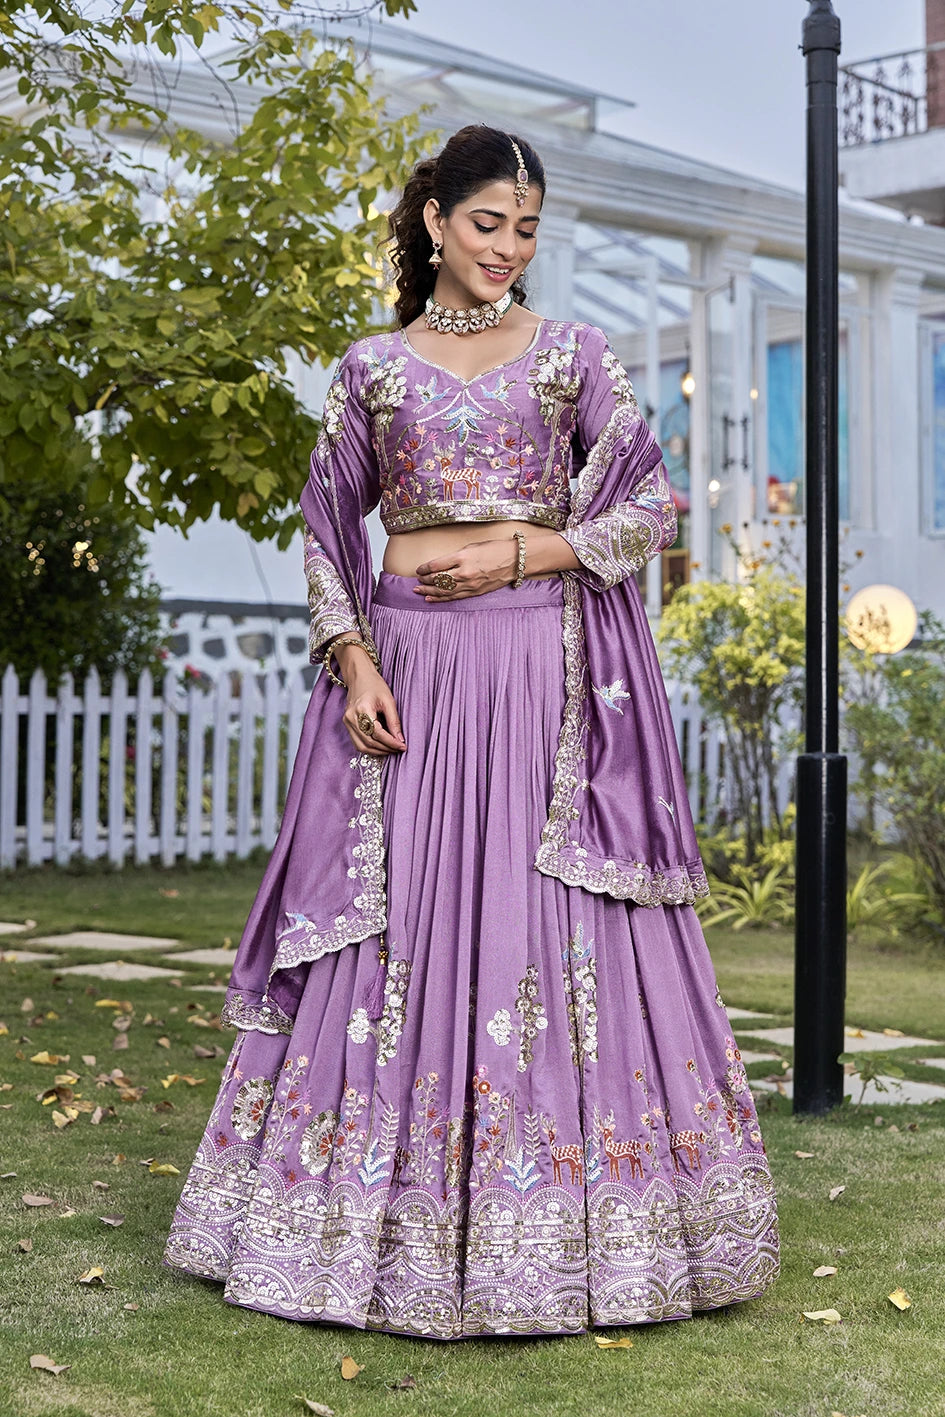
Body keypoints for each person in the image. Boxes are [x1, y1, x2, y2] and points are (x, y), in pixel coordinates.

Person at [164, 124, 780, 1339]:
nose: (507, 247)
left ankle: (574, 1222)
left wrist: (529, 547)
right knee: (399, 920)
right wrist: (349, 661)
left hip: (540, 674)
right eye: (488, 221)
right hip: (411, 672)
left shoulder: (573, 356)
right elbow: (327, 523)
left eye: (528, 228)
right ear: (435, 219)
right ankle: (349, 1225)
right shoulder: (370, 369)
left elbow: (649, 495)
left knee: (538, 919)